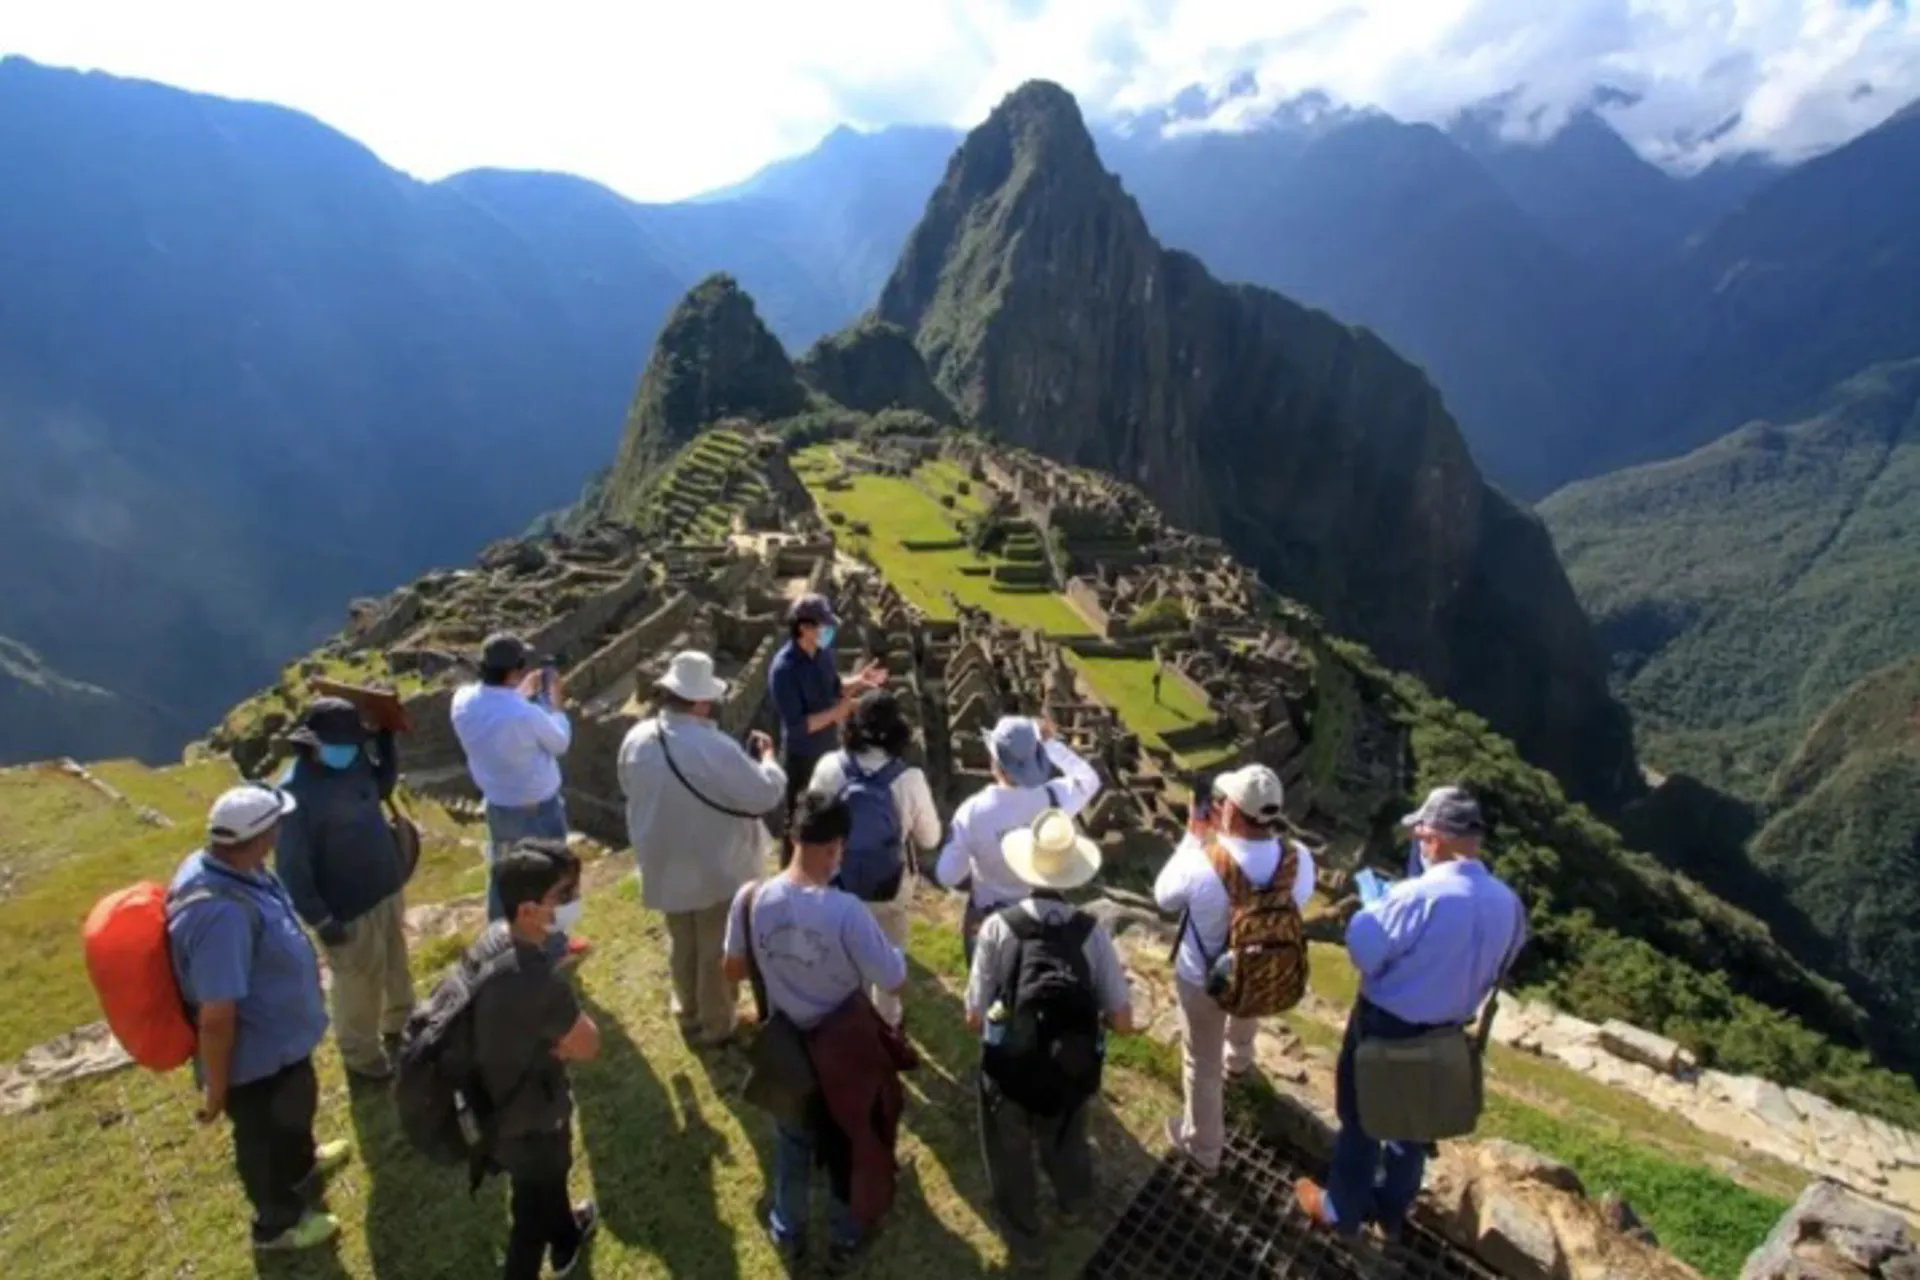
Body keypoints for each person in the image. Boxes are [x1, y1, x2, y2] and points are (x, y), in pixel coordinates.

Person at [1294, 787, 1527, 1240]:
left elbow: (1365, 953)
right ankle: (1391, 1210)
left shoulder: (1419, 896)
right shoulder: (1509, 905)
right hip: (1447, 1032)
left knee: (1362, 1117)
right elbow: (1505, 960)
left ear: (1434, 838)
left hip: (1386, 1023)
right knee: (1415, 1123)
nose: (1419, 844)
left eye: (1420, 835)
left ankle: (1341, 1209)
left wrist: (1374, 910)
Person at [723, 793, 909, 1269]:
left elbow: (733, 969)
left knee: (791, 1141)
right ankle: (846, 1234)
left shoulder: (749, 899)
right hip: (843, 1048)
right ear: (836, 847)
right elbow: (893, 979)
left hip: (785, 1046)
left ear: (793, 836)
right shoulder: (846, 911)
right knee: (849, 1140)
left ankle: (788, 1228)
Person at [168, 783, 348, 1252]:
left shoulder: (239, 870)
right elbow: (217, 1015)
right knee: (262, 1138)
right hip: (254, 1057)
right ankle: (277, 1223)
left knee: (295, 1104)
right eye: (276, 825)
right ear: (260, 836)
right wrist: (216, 1087)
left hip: (281, 1041)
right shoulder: (218, 915)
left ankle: (302, 1165)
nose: (281, 832)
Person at [966, 809, 1134, 1258]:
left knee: (1009, 1152)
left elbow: (973, 1016)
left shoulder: (998, 928)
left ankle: (1024, 1236)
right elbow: (1122, 1020)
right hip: (1070, 1068)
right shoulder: (1091, 934)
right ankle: (1073, 1202)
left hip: (1010, 1073)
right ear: (1071, 875)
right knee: (1068, 1136)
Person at [1153, 764, 1316, 1174]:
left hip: (1202, 978)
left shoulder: (1202, 862)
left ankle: (1204, 1147)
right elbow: (1295, 903)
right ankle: (1239, 1060)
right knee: (1250, 984)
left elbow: (1164, 897)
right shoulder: (1298, 860)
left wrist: (1193, 836)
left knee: (1200, 1063)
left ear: (1231, 811)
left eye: (1223, 801)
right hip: (1263, 968)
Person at [619, 650, 785, 1046]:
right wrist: (768, 760)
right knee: (714, 948)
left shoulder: (637, 739)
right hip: (713, 864)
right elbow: (765, 794)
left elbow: (628, 787)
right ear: (699, 702)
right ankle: (716, 1024)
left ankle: (688, 1009)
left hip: (663, 859)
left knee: (682, 940)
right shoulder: (714, 746)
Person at [470, 840, 602, 1280]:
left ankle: (565, 1238)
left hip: (494, 1104)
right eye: (562, 895)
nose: (573, 901)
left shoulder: (490, 942)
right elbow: (589, 1045)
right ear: (528, 910)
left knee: (547, 1179)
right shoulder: (540, 982)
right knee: (528, 1213)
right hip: (532, 1116)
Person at [275, 697, 413, 1082]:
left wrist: (385, 740)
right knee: (358, 985)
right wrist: (320, 918)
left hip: (385, 885)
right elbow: (291, 868)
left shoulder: (353, 761)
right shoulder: (294, 795)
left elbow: (379, 786)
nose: (350, 749)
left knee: (395, 964)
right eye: (343, 744)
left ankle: (401, 1025)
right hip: (347, 906)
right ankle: (361, 1058)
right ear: (314, 743)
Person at [808, 689, 941, 1024]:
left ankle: (844, 1020)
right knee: (888, 956)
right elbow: (930, 838)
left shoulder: (829, 767)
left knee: (841, 954)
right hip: (889, 886)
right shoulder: (909, 779)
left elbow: (812, 823)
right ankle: (886, 1021)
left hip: (837, 880)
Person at [450, 632, 585, 962]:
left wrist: (519, 692)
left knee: (503, 876)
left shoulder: (462, 701)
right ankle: (552, 947)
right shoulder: (526, 715)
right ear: (514, 672)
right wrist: (555, 705)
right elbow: (559, 742)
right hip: (539, 809)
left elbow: (498, 710)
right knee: (551, 879)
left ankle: (500, 946)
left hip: (499, 807)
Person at [934, 714, 1102, 962]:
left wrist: (976, 862)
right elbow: (1089, 780)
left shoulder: (971, 813)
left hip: (987, 916)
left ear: (995, 761)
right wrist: (1050, 745)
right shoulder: (1053, 799)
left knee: (982, 981)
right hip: (1037, 918)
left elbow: (947, 875)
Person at [767, 594, 887, 851]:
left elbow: (834, 688)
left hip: (829, 749)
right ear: (804, 628)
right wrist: (838, 712)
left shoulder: (823, 655)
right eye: (823, 625)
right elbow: (798, 727)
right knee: (799, 823)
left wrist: (859, 681)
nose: (828, 630)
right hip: (802, 758)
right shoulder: (783, 670)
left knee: (829, 819)